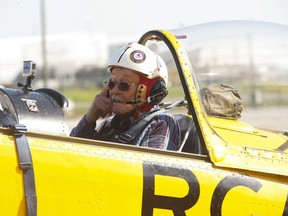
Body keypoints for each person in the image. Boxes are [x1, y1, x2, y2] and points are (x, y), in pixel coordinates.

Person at [70, 42, 181, 150]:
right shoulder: (109, 124)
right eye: (112, 83)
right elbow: (69, 155)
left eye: (124, 84)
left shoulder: (161, 123)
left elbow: (149, 167)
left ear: (150, 90)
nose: (114, 90)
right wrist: (89, 119)